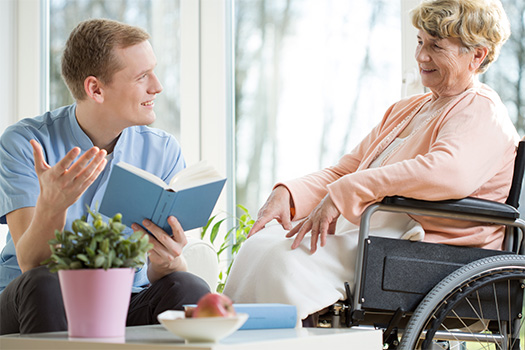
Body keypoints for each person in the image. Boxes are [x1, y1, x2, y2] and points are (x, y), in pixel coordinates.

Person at [223, 0, 519, 325]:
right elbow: (346, 170)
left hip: (425, 246)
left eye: (436, 45)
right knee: (260, 246)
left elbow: (448, 173)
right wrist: (289, 195)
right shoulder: (408, 109)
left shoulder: (481, 109)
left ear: (477, 55)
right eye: (420, 41)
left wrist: (348, 191)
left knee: (283, 259)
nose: (421, 56)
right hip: (380, 234)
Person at [0, 19, 210, 335]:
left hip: (125, 299)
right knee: (44, 283)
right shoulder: (26, 143)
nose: (157, 86)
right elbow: (33, 263)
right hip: (34, 300)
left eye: (153, 71)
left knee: (188, 285)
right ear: (95, 88)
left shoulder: (162, 151)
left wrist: (169, 262)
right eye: (142, 77)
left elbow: (161, 272)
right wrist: (51, 208)